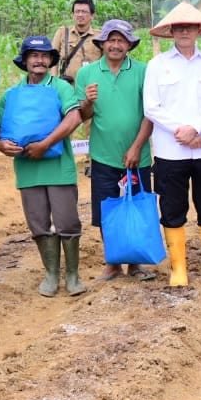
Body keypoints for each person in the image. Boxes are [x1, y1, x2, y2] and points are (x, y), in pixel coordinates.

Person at [143, 1, 201, 288]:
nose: (184, 31)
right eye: (178, 27)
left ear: (198, 30)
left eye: (189, 27)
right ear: (170, 31)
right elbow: (151, 107)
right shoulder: (157, 66)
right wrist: (180, 129)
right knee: (172, 207)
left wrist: (195, 128)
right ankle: (178, 268)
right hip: (170, 150)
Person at [0, 36, 85, 296]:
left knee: (67, 222)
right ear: (25, 60)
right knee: (39, 224)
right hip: (27, 169)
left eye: (44, 55)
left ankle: (73, 275)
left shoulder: (61, 88)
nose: (39, 60)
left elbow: (74, 117)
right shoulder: (11, 95)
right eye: (33, 55)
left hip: (58, 167)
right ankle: (51, 274)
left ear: (51, 61)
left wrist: (45, 143)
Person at [75, 19, 155, 281]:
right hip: (103, 155)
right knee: (108, 209)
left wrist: (136, 147)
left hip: (137, 156)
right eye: (111, 39)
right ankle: (112, 263)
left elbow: (150, 114)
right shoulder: (88, 74)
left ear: (130, 44)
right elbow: (83, 115)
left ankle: (135, 263)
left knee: (135, 206)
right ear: (102, 43)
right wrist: (88, 101)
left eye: (122, 40)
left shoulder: (143, 71)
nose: (116, 45)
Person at [51, 0, 103, 84]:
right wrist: (53, 81)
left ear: (92, 15)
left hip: (91, 87)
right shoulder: (62, 32)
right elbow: (52, 59)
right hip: (67, 86)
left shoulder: (100, 36)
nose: (80, 15)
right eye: (77, 12)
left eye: (84, 12)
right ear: (72, 15)